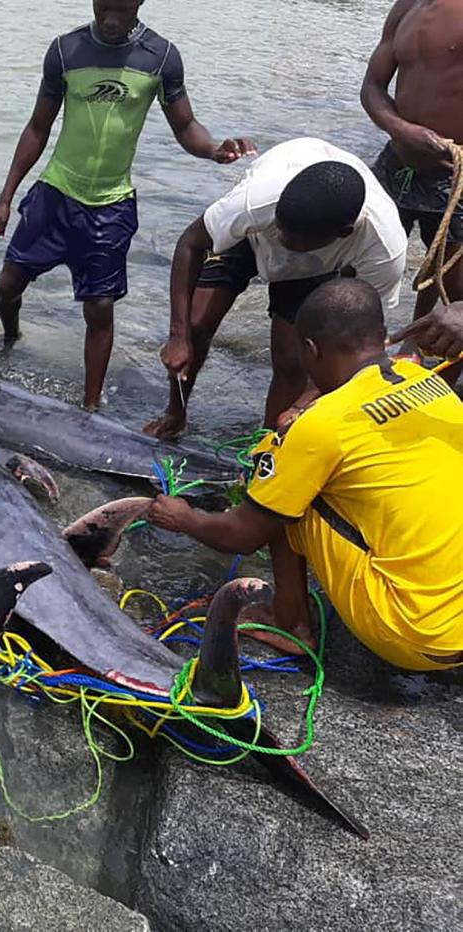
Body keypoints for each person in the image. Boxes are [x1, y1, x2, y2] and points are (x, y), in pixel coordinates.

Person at [148, 279, 463, 671]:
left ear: (310, 350)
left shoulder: (320, 428)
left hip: (414, 636)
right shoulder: (428, 383)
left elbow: (243, 536)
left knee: (277, 478)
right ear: (383, 338)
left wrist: (182, 517)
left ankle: (290, 623)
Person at [0, 0, 254, 410]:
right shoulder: (65, 51)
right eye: (103, 7)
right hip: (55, 194)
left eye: (122, 10)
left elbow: (185, 125)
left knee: (100, 307)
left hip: (110, 205)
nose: (111, 20)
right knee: (7, 287)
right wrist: (5, 198)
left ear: (141, 3)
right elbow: (38, 127)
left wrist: (215, 149)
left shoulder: (160, 57)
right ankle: (9, 339)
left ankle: (90, 407)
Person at [143, 138, 408, 439]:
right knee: (197, 325)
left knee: (291, 359)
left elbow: (363, 337)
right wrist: (178, 336)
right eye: (281, 230)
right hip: (252, 235)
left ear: (343, 234)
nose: (282, 242)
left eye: (293, 240)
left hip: (315, 266)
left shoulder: (383, 247)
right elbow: (190, 244)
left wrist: (304, 403)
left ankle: (269, 443)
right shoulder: (256, 201)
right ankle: (175, 414)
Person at [363, 0, 463, 343]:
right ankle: (355, 361)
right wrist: (401, 129)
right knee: (357, 268)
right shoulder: (407, 6)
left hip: (456, 177)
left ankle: (424, 366)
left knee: (453, 293)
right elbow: (372, 87)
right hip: (396, 165)